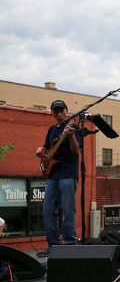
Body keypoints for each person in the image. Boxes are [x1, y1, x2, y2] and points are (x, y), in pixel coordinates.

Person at [35, 100, 81, 256]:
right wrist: (41, 151)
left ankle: (70, 243)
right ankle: (53, 245)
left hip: (68, 173)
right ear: (52, 113)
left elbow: (76, 152)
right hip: (53, 174)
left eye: (62, 111)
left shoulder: (74, 127)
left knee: (68, 209)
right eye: (56, 111)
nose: (59, 114)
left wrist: (72, 135)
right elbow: (48, 148)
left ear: (67, 111)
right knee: (47, 209)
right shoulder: (52, 129)